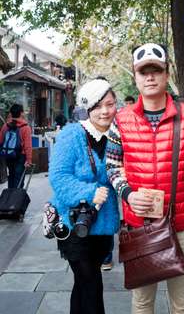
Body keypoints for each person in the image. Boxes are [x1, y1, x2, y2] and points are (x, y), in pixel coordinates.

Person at [106, 43, 184, 314]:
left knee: (182, 304)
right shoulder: (122, 120)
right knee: (142, 303)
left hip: (183, 224)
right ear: (135, 76)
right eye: (144, 72)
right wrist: (128, 194)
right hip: (140, 227)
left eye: (156, 70)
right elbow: (113, 168)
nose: (150, 77)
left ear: (167, 74)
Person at [48, 78, 120, 314]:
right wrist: (89, 192)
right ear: (87, 109)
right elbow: (58, 177)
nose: (105, 111)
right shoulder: (72, 134)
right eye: (98, 106)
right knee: (90, 282)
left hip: (103, 224)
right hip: (74, 222)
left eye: (110, 104)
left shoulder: (118, 136)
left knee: (83, 283)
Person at [0, 104, 32, 188]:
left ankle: (10, 198)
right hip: (20, 156)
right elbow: (27, 146)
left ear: (11, 113)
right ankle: (16, 200)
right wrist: (29, 160)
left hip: (9, 155)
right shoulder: (25, 127)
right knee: (19, 179)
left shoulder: (5, 126)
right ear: (21, 113)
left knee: (11, 176)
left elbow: (1, 141)